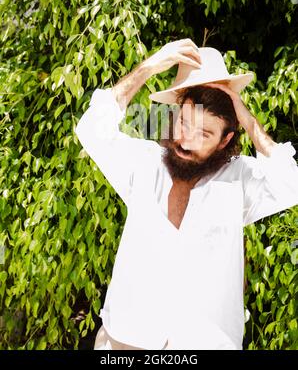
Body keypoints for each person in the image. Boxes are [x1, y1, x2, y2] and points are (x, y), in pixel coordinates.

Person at [75, 39, 298, 350]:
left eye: (204, 133)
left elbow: (292, 183)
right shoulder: (145, 164)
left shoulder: (240, 179)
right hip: (123, 341)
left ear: (225, 140)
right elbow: (92, 130)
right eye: (184, 123)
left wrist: (249, 121)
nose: (185, 140)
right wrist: (149, 67)